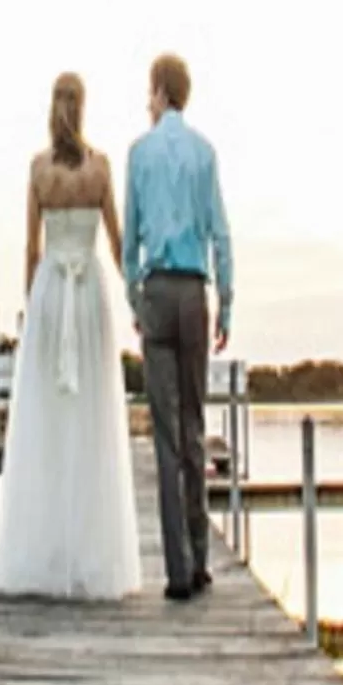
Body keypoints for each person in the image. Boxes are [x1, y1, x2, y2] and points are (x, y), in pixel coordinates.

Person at [0, 73, 142, 600]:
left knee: (47, 421)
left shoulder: (38, 170)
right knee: (90, 418)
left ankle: (45, 552)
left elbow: (31, 249)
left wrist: (32, 307)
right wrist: (136, 299)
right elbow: (117, 244)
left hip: (52, 291)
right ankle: (89, 555)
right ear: (84, 107)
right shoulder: (100, 169)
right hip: (88, 294)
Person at [122, 53, 233, 601]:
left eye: (150, 92)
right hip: (193, 293)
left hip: (157, 291)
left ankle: (177, 572)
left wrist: (135, 299)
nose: (148, 101)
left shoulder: (138, 154)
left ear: (162, 92)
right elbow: (221, 235)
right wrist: (226, 303)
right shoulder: (205, 153)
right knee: (193, 427)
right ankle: (201, 555)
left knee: (165, 437)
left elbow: (130, 239)